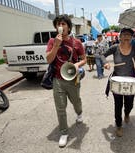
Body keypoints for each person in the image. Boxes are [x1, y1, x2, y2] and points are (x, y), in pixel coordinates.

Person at [46, 14, 87, 147]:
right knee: (60, 108)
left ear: (69, 27)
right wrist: (56, 46)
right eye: (58, 24)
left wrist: (77, 65)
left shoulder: (76, 42)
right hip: (58, 79)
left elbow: (84, 59)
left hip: (73, 78)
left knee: (76, 102)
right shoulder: (52, 41)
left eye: (63, 24)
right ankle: (64, 132)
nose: (61, 26)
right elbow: (48, 59)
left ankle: (79, 113)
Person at [101, 27, 135, 137]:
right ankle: (119, 125)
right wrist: (105, 63)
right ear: (120, 37)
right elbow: (102, 55)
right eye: (124, 34)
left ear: (131, 37)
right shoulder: (115, 48)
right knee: (118, 105)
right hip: (117, 81)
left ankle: (127, 113)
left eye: (128, 35)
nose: (126, 37)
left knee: (129, 104)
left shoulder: (134, 48)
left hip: (130, 81)